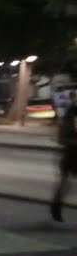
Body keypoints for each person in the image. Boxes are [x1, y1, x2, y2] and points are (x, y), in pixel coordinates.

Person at [50, 91, 76, 223]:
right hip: (72, 155)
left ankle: (56, 206)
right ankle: (56, 206)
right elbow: (62, 139)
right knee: (65, 183)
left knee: (65, 183)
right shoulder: (69, 118)